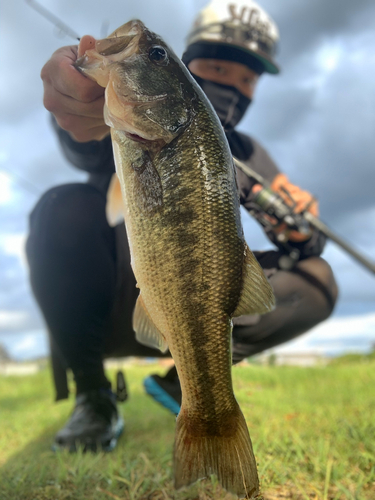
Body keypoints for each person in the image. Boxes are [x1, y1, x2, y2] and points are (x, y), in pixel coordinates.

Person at [27, 0, 338, 452]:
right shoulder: (126, 121)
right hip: (110, 311)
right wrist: (79, 98)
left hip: (202, 314)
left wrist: (306, 227)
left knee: (319, 279)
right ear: (188, 64)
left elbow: (305, 244)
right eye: (217, 66)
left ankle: (186, 384)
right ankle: (93, 395)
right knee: (61, 207)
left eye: (248, 79)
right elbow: (81, 141)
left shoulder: (251, 155)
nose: (233, 86)